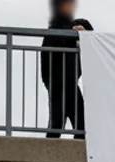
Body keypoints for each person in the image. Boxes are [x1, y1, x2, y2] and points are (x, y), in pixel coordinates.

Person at [40, 0, 92, 139]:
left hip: (70, 84)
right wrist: (50, 85)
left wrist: (83, 30)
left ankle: (77, 150)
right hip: (57, 85)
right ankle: (49, 151)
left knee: (81, 126)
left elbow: (87, 26)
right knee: (57, 124)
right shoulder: (54, 29)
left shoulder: (73, 24)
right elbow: (45, 63)